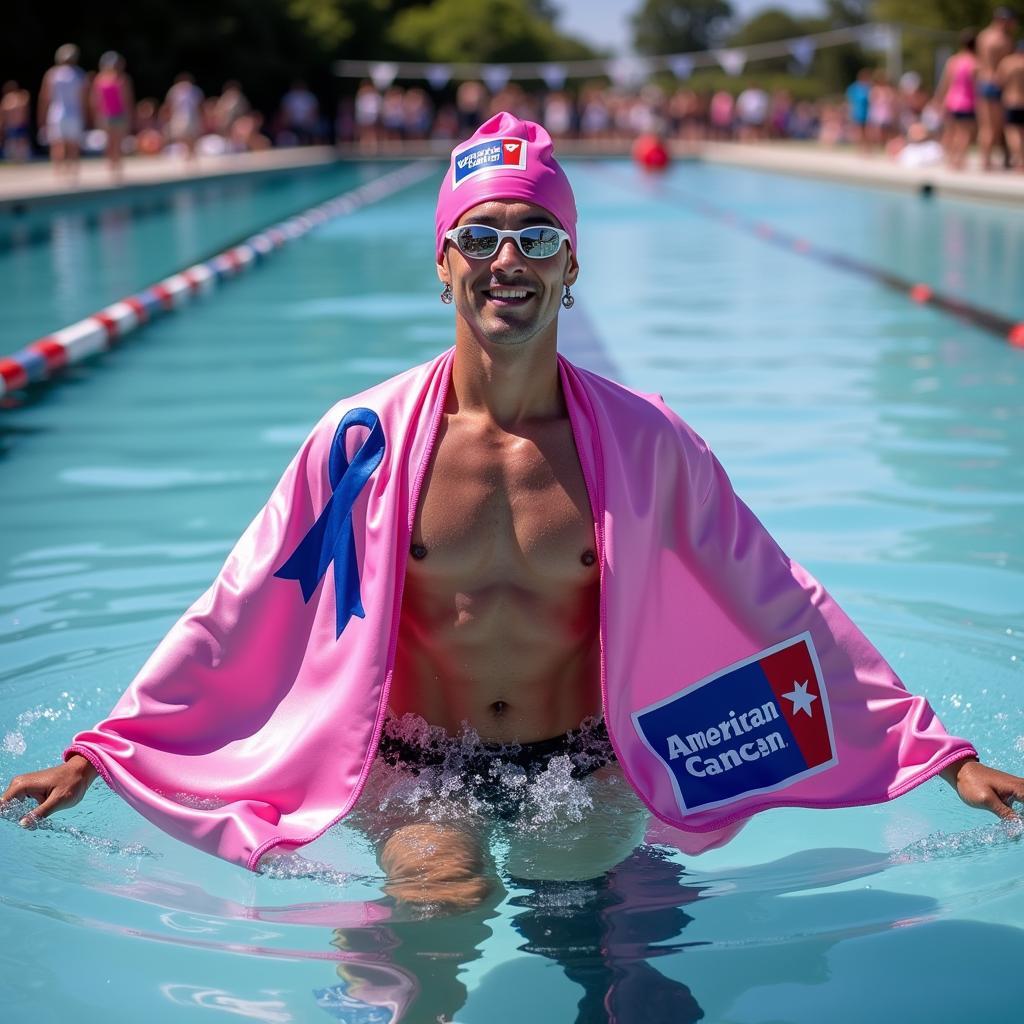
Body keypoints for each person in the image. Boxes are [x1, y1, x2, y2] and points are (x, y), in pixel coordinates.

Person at [4, 115, 1024, 915]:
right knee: (441, 902)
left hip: (577, 762)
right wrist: (111, 748)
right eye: (481, 236)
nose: (509, 260)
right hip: (416, 763)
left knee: (599, 931)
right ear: (442, 261)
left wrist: (935, 750)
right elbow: (242, 605)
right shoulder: (358, 443)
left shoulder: (642, 442)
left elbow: (773, 592)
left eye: (537, 236)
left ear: (571, 267)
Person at [976, 7, 1018, 170]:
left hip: (984, 82)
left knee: (987, 125)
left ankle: (986, 159)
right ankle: (988, 160)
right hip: (996, 84)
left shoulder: (983, 36)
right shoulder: (1002, 40)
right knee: (999, 127)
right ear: (1003, 21)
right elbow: (1003, 68)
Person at [38, 43, 88, 179]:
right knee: (73, 144)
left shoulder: (52, 74)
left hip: (56, 113)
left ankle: (58, 172)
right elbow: (83, 100)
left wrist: (41, 117)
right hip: (74, 113)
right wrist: (87, 116)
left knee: (57, 144)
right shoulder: (79, 75)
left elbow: (45, 98)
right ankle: (72, 172)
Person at [936, 31, 979, 171]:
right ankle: (959, 159)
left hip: (951, 101)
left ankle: (951, 159)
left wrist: (939, 99)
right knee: (964, 133)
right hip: (968, 102)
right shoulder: (976, 63)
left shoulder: (953, 61)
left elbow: (945, 83)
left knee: (951, 131)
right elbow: (976, 85)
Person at [91, 51, 133, 180]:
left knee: (117, 142)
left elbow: (126, 99)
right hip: (107, 115)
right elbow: (96, 100)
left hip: (118, 114)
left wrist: (129, 115)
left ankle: (117, 165)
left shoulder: (121, 79)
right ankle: (112, 165)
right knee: (110, 142)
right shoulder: (101, 79)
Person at [164, 72, 203, 161]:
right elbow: (170, 104)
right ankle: (189, 153)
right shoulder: (176, 90)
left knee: (189, 135)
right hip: (181, 116)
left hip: (189, 116)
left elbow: (169, 105)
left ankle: (190, 154)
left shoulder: (193, 90)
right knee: (185, 136)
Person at [997, 40, 1024, 169]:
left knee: (1012, 132)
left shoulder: (1008, 63)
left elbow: (999, 81)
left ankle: (1019, 160)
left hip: (1011, 101)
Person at [0, 80, 32, 162]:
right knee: (12, 144)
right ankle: (15, 160)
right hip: (12, 126)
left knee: (20, 143)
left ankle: (20, 159)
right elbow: (2, 115)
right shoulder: (7, 100)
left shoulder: (20, 98)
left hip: (19, 125)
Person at [845, 68, 873, 152]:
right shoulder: (854, 87)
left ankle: (867, 148)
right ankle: (860, 148)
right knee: (859, 132)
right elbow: (850, 101)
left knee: (868, 132)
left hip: (868, 114)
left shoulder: (869, 87)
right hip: (857, 113)